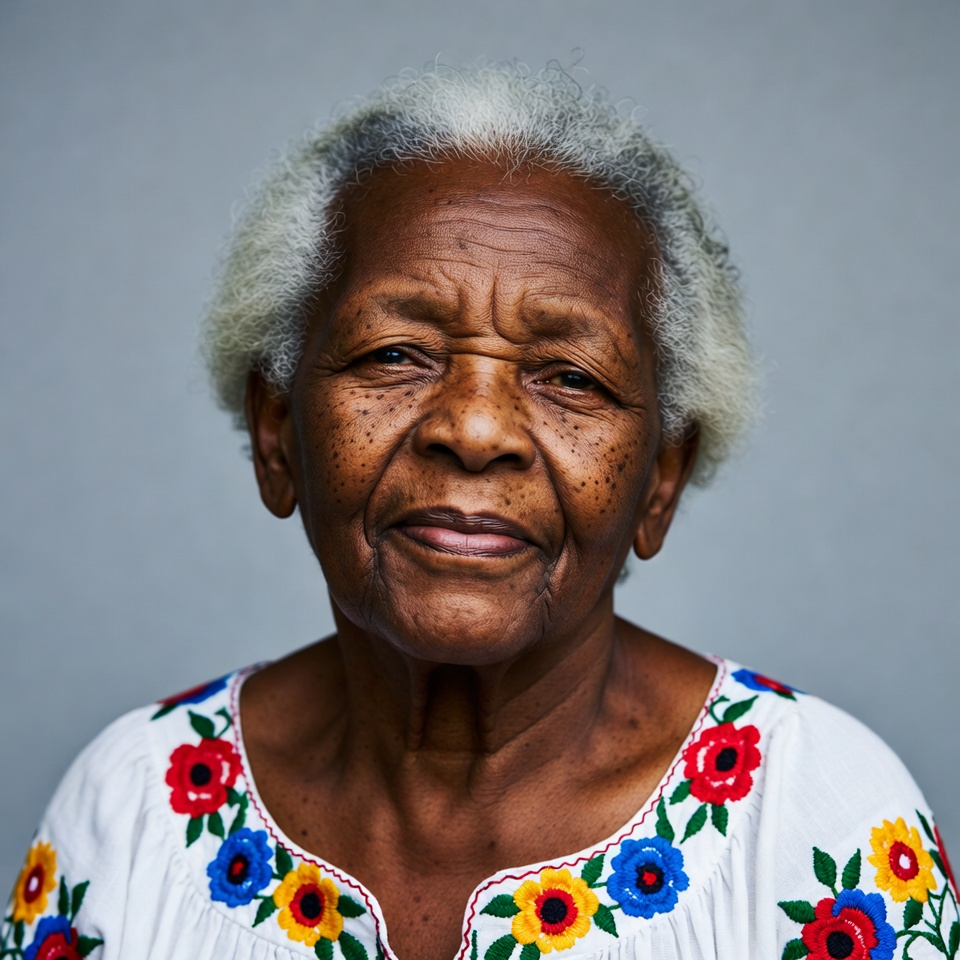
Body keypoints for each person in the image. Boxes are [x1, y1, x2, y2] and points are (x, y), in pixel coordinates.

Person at [2, 63, 956, 960]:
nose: (473, 426)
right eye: (393, 354)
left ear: (660, 480)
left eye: (570, 377)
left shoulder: (816, 824)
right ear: (276, 430)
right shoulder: (131, 807)